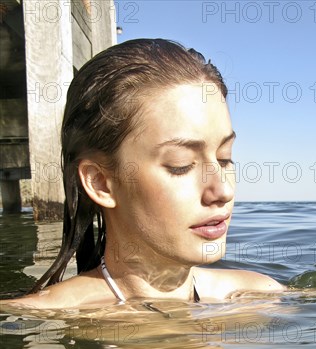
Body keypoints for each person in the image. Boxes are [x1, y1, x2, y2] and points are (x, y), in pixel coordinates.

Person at [2, 38, 283, 309]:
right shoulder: (39, 319)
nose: (223, 190)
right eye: (180, 165)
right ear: (101, 183)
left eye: (224, 159)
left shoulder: (260, 296)